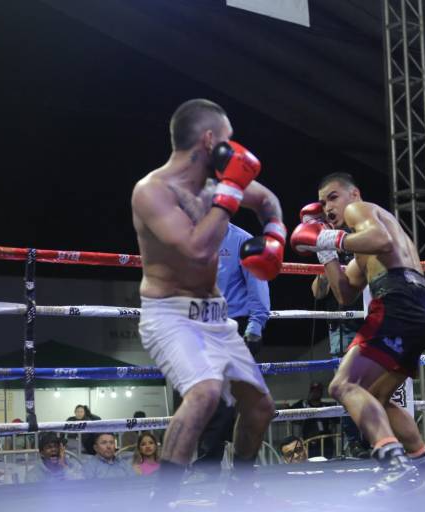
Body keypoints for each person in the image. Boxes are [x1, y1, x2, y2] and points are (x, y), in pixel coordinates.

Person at [132, 99, 285, 498]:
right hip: (172, 315)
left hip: (217, 317)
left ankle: (241, 488)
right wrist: (232, 189)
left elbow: (268, 202)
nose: (235, 150)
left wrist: (275, 236)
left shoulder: (215, 186)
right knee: (204, 393)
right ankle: (161, 499)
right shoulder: (153, 191)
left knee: (259, 408)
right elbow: (196, 250)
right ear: (209, 139)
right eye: (229, 140)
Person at [290, 172, 425, 494]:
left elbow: (381, 241)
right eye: (323, 202)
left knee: (343, 385)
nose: (328, 207)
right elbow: (345, 293)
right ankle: (424, 464)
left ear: (353, 194)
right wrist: (324, 250)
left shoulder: (361, 210)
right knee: (376, 396)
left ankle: (394, 464)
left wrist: (334, 239)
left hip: (397, 302)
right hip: (422, 309)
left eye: (333, 197)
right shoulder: (363, 248)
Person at [196, 222, 271, 471]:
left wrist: (255, 326)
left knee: (228, 398)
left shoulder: (244, 241)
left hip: (233, 326)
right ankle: (226, 466)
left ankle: (212, 465)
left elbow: (258, 284)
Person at [307, 203, 369, 459]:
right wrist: (326, 262)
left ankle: (376, 437)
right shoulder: (326, 244)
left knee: (372, 383)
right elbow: (317, 292)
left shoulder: (360, 238)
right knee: (345, 385)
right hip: (340, 327)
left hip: (367, 319)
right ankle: (355, 442)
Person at [291, 382, 336, 458]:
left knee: (327, 463)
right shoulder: (304, 404)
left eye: (318, 391)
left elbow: (337, 419)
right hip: (309, 442)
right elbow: (290, 412)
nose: (316, 393)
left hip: (326, 441)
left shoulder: (326, 406)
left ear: (321, 393)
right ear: (310, 392)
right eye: (314, 391)